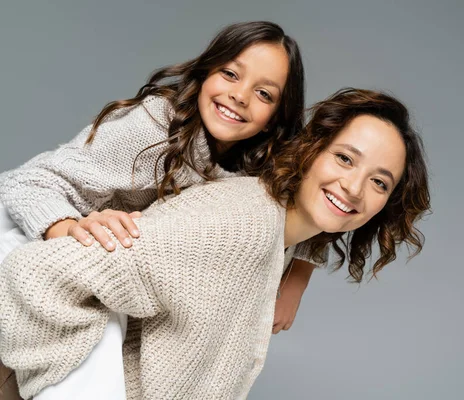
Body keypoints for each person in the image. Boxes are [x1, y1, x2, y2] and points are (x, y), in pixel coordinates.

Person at [0, 88, 431, 399]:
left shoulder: (281, 237)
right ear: (310, 150)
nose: (355, 187)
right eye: (344, 158)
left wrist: (300, 273)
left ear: (385, 205)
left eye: (379, 181)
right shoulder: (233, 227)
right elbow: (36, 272)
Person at [0, 20, 314, 399]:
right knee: (100, 342)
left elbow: (308, 201)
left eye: (264, 93)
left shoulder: (255, 170)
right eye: (230, 74)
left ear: (277, 116)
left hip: (107, 262)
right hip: (28, 233)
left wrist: (297, 277)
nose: (240, 96)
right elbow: (26, 181)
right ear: (205, 72)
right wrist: (71, 226)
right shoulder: (156, 127)